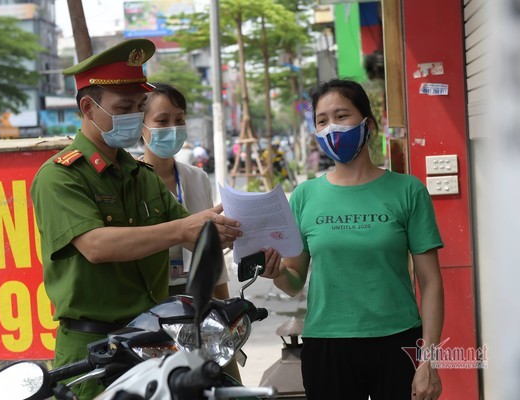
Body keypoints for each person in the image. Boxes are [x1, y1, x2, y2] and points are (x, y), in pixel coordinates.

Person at [30, 38, 241, 400]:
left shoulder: (140, 176)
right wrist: (183, 228)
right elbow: (96, 245)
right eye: (124, 107)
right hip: (93, 349)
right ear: (87, 107)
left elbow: (193, 234)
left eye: (138, 106)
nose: (133, 114)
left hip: (153, 343)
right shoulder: (60, 176)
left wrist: (233, 228)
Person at [260, 79, 444, 400]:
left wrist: (429, 361)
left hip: (399, 341)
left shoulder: (408, 191)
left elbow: (431, 283)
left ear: (368, 124)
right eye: (322, 120)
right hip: (327, 343)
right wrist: (275, 272)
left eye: (342, 115)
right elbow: (293, 282)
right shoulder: (304, 196)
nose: (332, 127)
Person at [139, 82, 241, 381]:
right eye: (162, 120)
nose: (172, 128)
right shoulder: (131, 182)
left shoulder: (196, 178)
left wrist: (226, 312)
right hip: (154, 306)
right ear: (141, 126)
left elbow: (210, 255)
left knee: (223, 382)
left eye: (179, 119)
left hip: (201, 302)